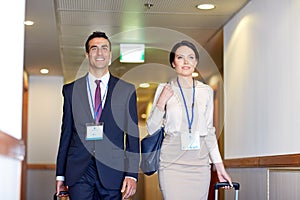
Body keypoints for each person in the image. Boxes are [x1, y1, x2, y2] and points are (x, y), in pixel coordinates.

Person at [55, 31, 140, 200]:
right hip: (79, 170)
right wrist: (60, 176)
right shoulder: (71, 90)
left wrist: (132, 174)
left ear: (110, 55)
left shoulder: (126, 90)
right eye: (94, 49)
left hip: (112, 170)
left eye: (104, 48)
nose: (99, 53)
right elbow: (65, 134)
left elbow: (132, 137)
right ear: (87, 55)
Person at [146, 40, 232, 200]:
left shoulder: (205, 91)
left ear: (196, 62)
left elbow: (209, 131)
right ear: (173, 63)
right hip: (171, 163)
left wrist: (219, 166)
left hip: (199, 164)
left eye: (191, 57)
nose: (186, 62)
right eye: (180, 57)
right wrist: (161, 102)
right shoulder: (164, 89)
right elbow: (151, 128)